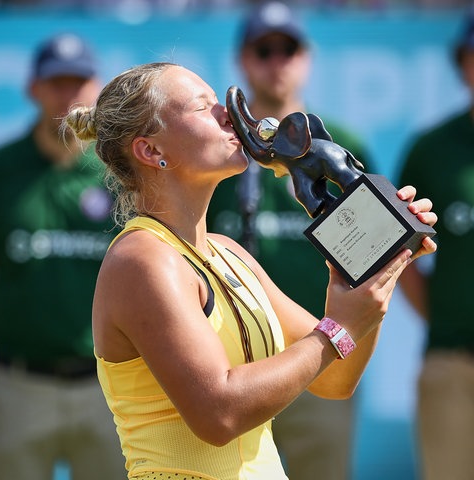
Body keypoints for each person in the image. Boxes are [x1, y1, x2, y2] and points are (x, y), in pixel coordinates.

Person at [62, 61, 437, 480]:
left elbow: (336, 381)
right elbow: (219, 415)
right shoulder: (143, 260)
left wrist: (375, 267)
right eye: (203, 106)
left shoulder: (228, 253)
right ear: (152, 151)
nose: (227, 111)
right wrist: (338, 329)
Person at [207, 2, 374, 478]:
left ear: (307, 58)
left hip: (319, 356)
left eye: (288, 49)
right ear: (244, 58)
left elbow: (371, 256)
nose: (277, 60)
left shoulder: (340, 143)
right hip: (231, 365)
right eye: (264, 49)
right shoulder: (221, 149)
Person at [0, 33, 125, 479]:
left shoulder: (121, 176)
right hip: (20, 385)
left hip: (108, 388)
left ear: (98, 88)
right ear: (33, 88)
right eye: (57, 82)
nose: (69, 96)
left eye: (79, 81)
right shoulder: (0, 171)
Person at [397, 10, 474, 480]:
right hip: (452, 362)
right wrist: (444, 316)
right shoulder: (432, 150)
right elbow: (400, 253)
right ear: (463, 63)